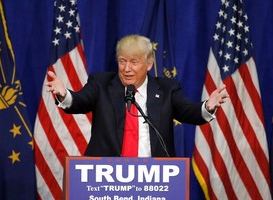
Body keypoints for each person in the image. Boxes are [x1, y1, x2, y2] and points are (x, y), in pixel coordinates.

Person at [45, 34, 229, 157]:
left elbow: (188, 111)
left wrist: (207, 107)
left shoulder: (167, 88)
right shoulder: (101, 83)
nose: (127, 69)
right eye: (122, 61)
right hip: (106, 177)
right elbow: (80, 101)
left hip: (152, 178)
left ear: (149, 64)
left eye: (134, 62)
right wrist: (64, 95)